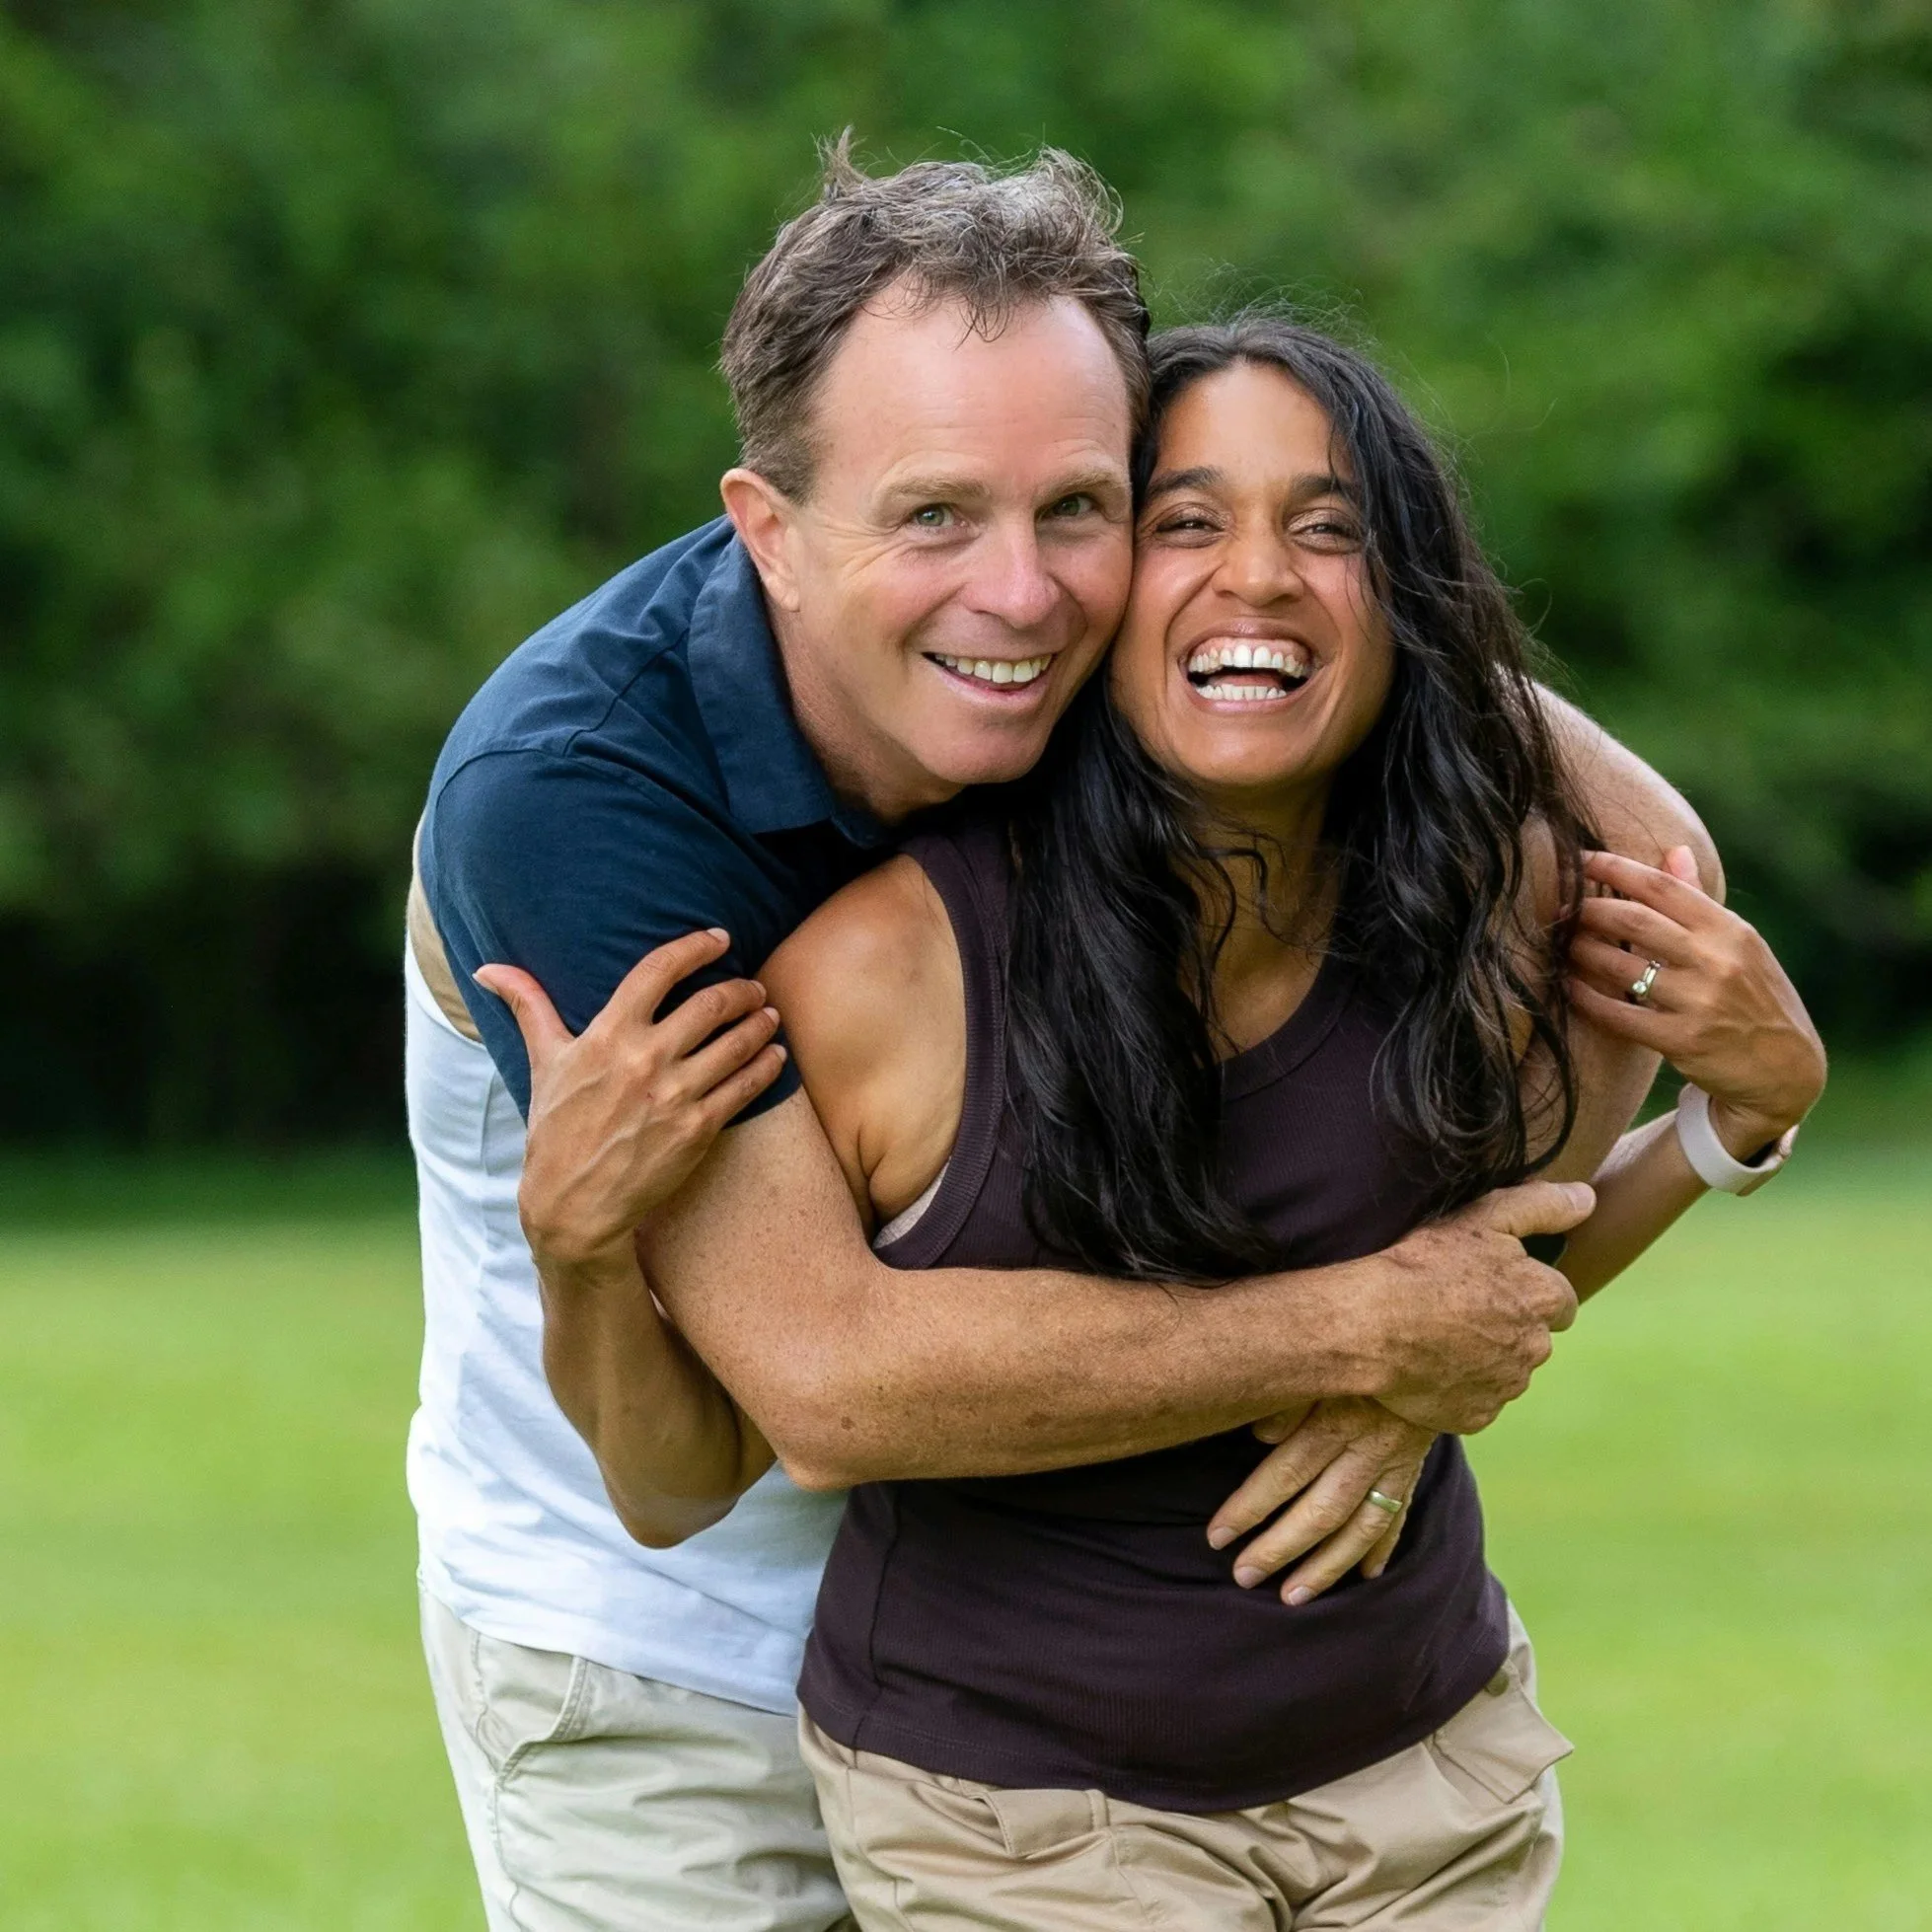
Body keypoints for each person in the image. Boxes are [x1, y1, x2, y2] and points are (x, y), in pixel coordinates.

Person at [408, 145, 1718, 1932]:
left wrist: (1360, 607)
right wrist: (1368, 1333)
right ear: (769, 530)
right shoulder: (576, 801)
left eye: (1084, 509)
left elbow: (1649, 882)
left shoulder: (1127, 665)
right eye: (934, 514)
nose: (1021, 595)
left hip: (1063, 1650)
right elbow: (819, 1387)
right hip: (668, 1638)